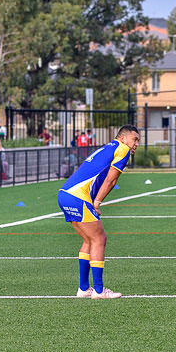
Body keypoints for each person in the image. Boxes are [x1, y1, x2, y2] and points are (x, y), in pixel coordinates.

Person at [57, 125, 139, 300]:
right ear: (123, 138)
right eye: (135, 140)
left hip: (65, 194)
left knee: (89, 240)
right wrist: (97, 202)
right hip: (79, 196)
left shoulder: (109, 147)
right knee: (99, 239)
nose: (136, 144)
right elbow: (111, 179)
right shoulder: (122, 149)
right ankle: (100, 291)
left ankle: (84, 288)